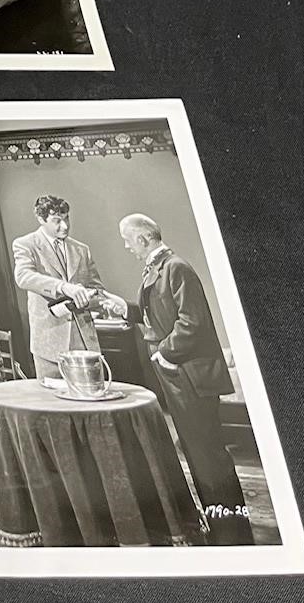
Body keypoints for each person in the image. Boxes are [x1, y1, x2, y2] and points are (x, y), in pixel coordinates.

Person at [101, 215, 253, 545]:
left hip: (191, 377)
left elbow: (192, 322)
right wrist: (125, 309)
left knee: (208, 456)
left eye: (127, 240)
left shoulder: (177, 268)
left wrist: (164, 352)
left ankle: (233, 534)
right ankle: (221, 527)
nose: (126, 246)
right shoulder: (160, 268)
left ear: (143, 239)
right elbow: (159, 316)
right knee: (198, 454)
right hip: (180, 376)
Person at [11, 195, 110, 379]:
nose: (64, 226)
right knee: (54, 396)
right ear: (41, 219)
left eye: (66, 219)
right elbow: (24, 277)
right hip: (49, 345)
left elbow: (98, 291)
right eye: (57, 221)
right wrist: (64, 288)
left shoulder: (82, 250)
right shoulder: (26, 244)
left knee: (92, 394)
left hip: (85, 344)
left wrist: (88, 296)